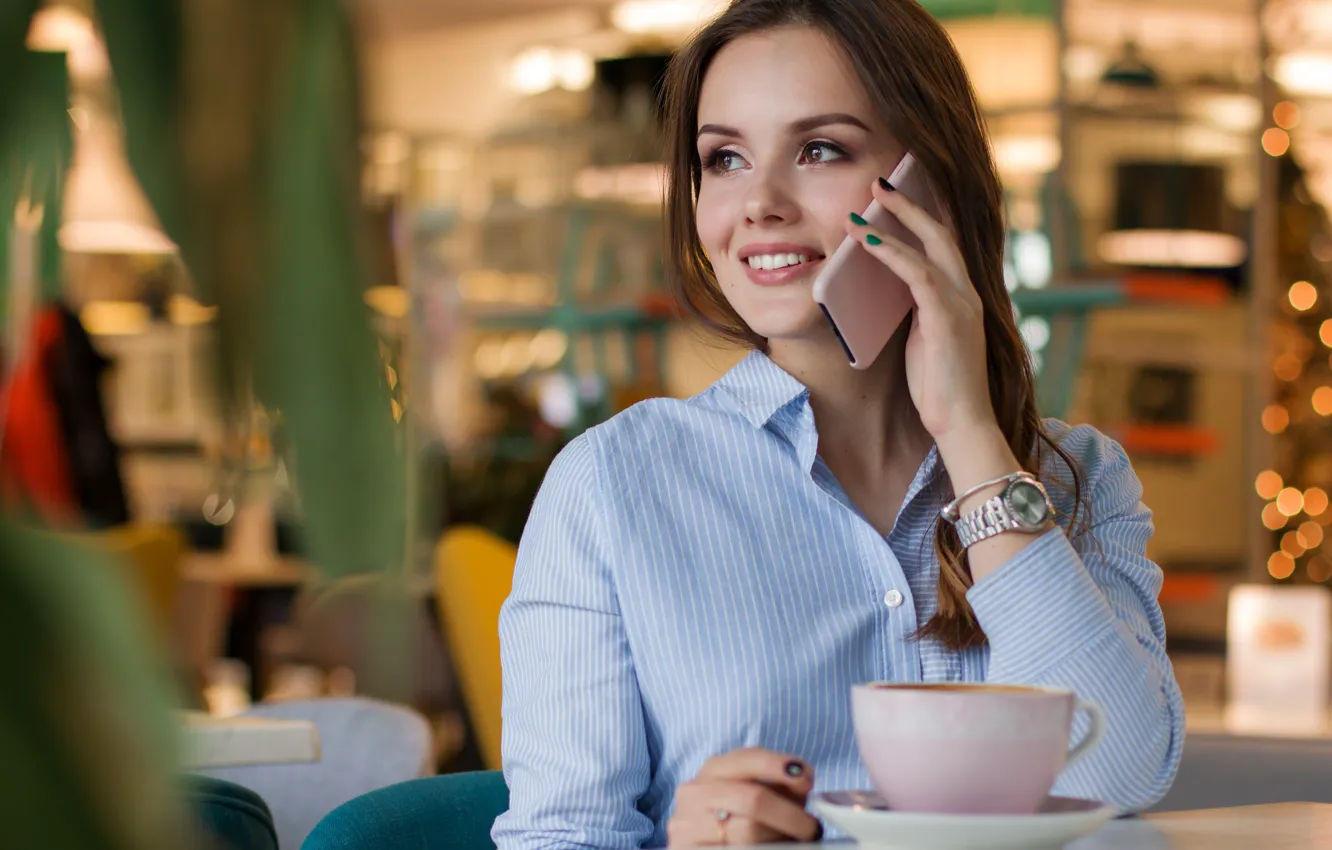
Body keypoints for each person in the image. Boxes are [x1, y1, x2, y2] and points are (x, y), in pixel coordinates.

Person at [493, 0, 1185, 846]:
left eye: (820, 149)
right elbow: (559, 838)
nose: (760, 203)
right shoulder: (612, 484)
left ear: (927, 182)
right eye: (726, 158)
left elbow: (1114, 778)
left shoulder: (1076, 473)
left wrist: (969, 432)